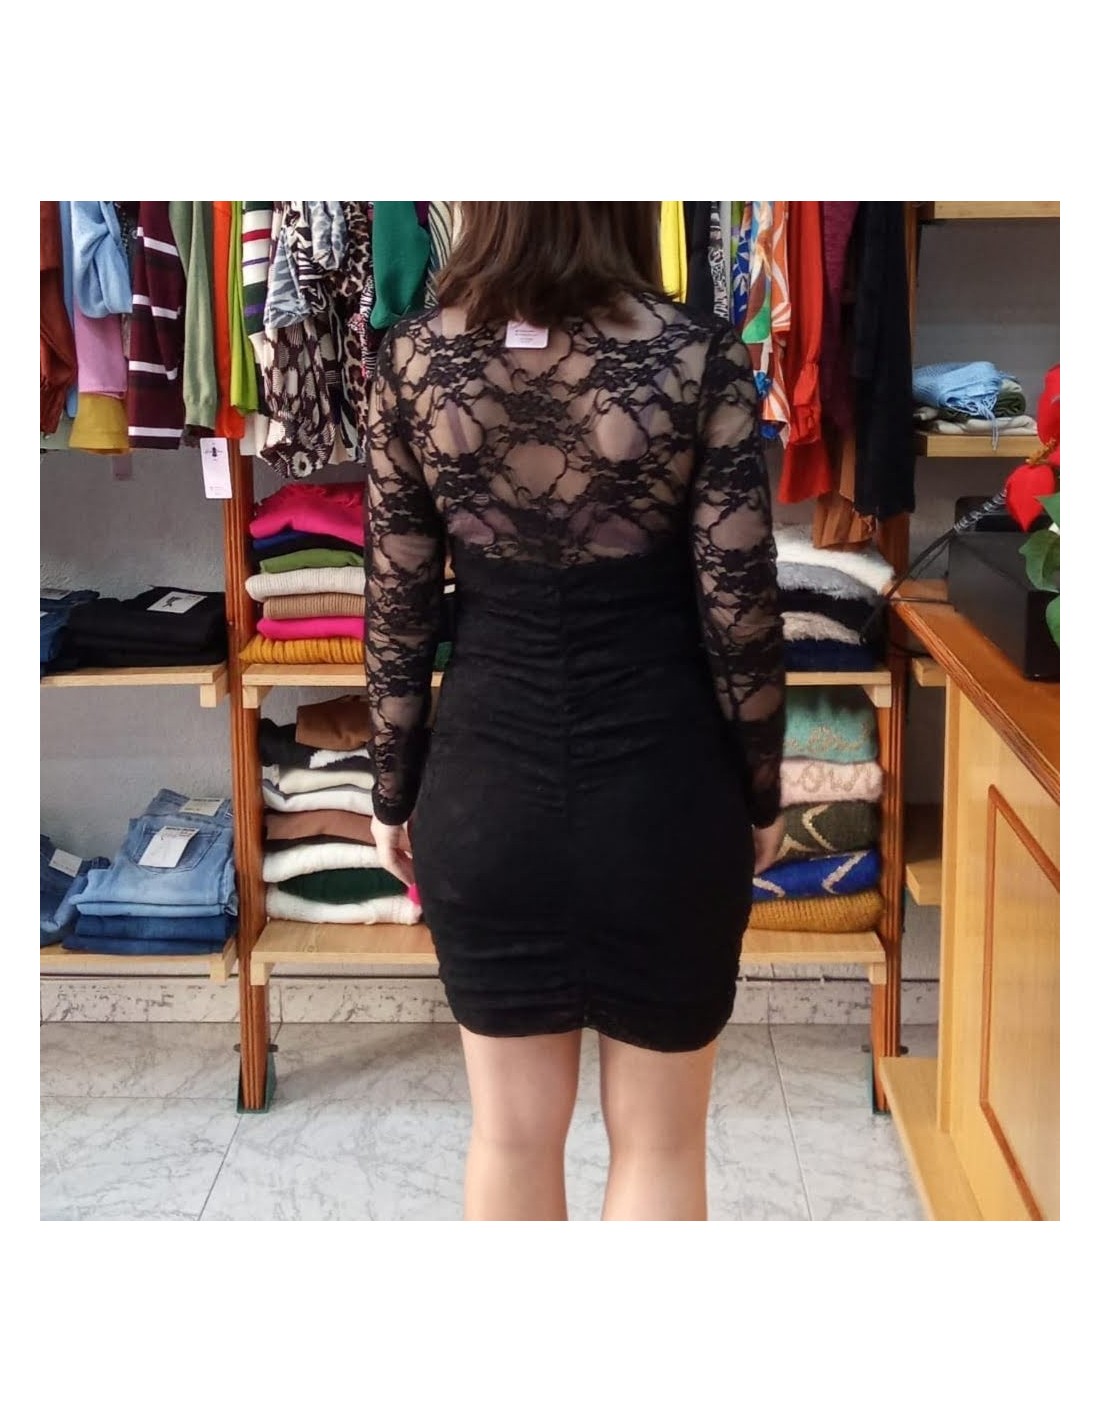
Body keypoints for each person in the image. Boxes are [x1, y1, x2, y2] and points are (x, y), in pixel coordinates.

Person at [365, 202, 785, 1221]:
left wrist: (390, 794)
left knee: (508, 1137)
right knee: (661, 1146)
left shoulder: (410, 361)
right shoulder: (700, 356)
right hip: (664, 797)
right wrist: (760, 791)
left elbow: (397, 607)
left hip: (485, 799)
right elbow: (740, 612)